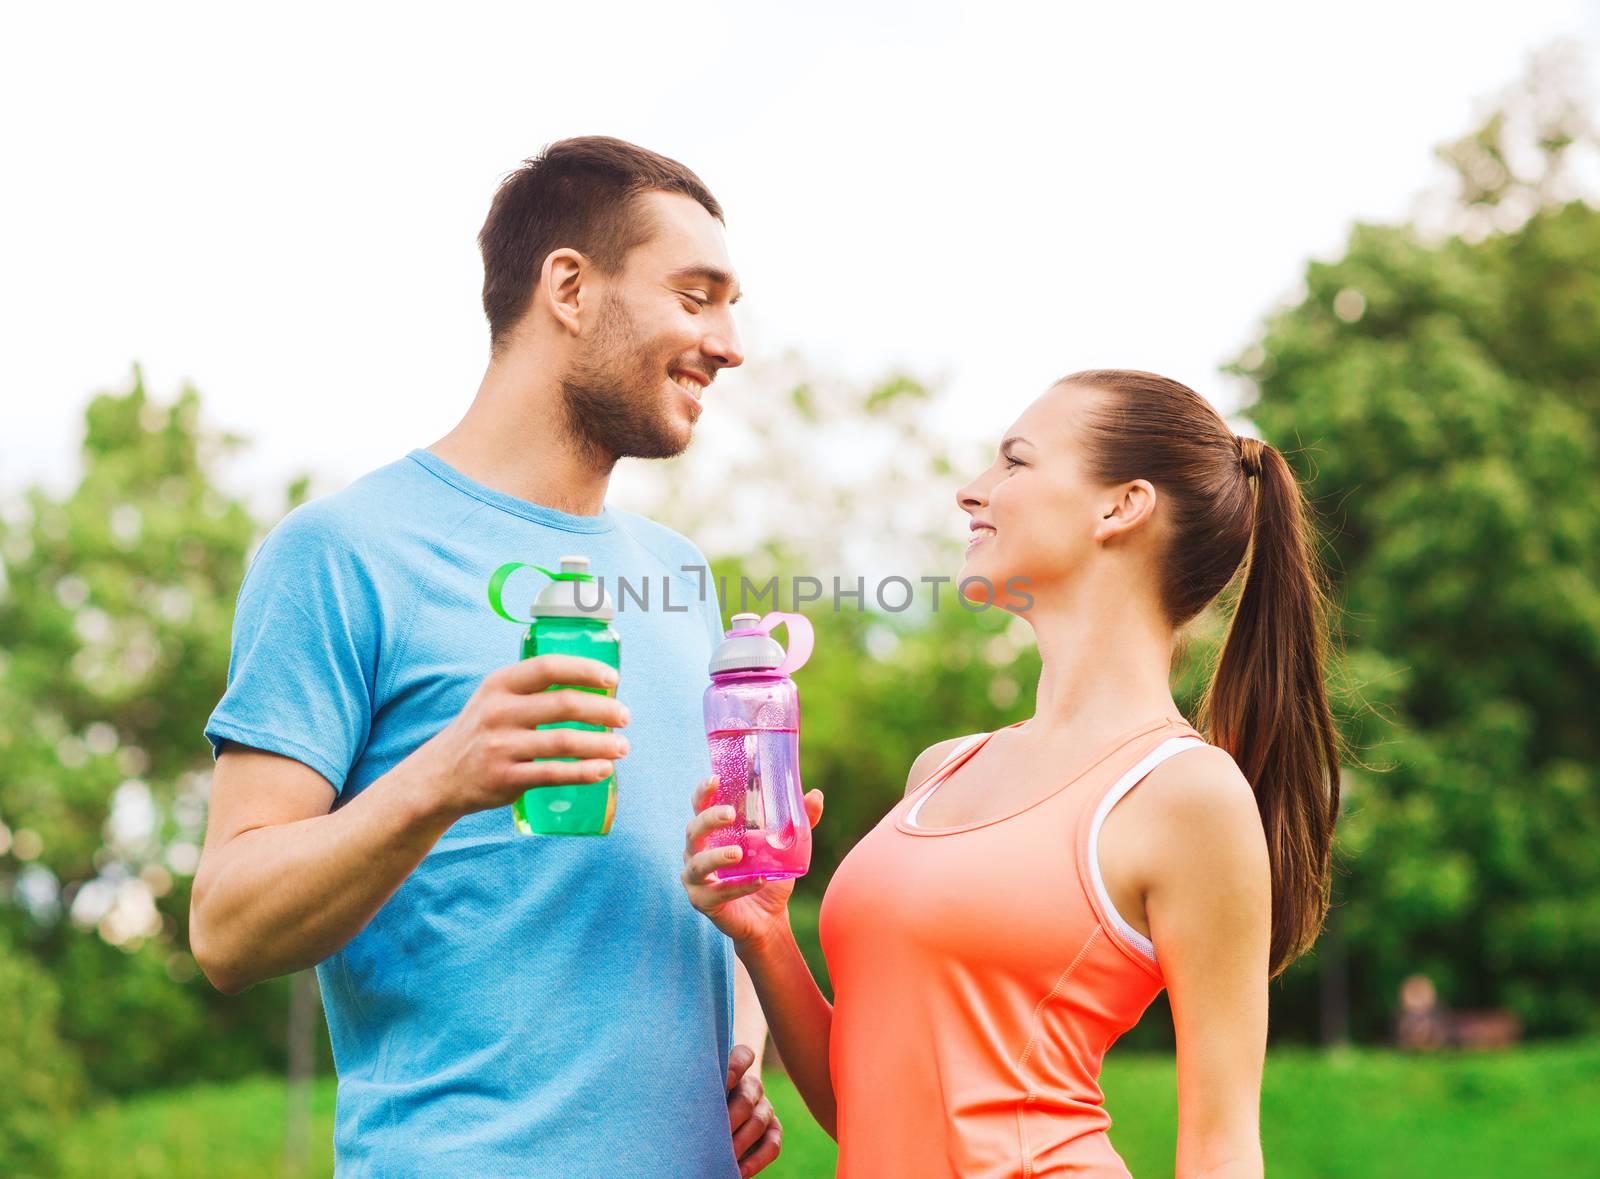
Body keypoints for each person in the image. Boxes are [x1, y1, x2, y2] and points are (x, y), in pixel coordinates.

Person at [193, 137, 782, 1178]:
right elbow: (227, 927)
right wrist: (443, 778)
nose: (730, 344)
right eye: (697, 298)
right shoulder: (343, 552)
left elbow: (689, 874)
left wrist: (740, 1035)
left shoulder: (680, 578)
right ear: (568, 286)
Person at [684, 369, 1343, 1178]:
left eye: (1015, 463)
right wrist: (766, 934)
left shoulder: (1187, 793)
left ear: (1121, 506)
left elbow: (1222, 1150)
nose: (971, 491)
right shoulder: (942, 768)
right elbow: (875, 1108)